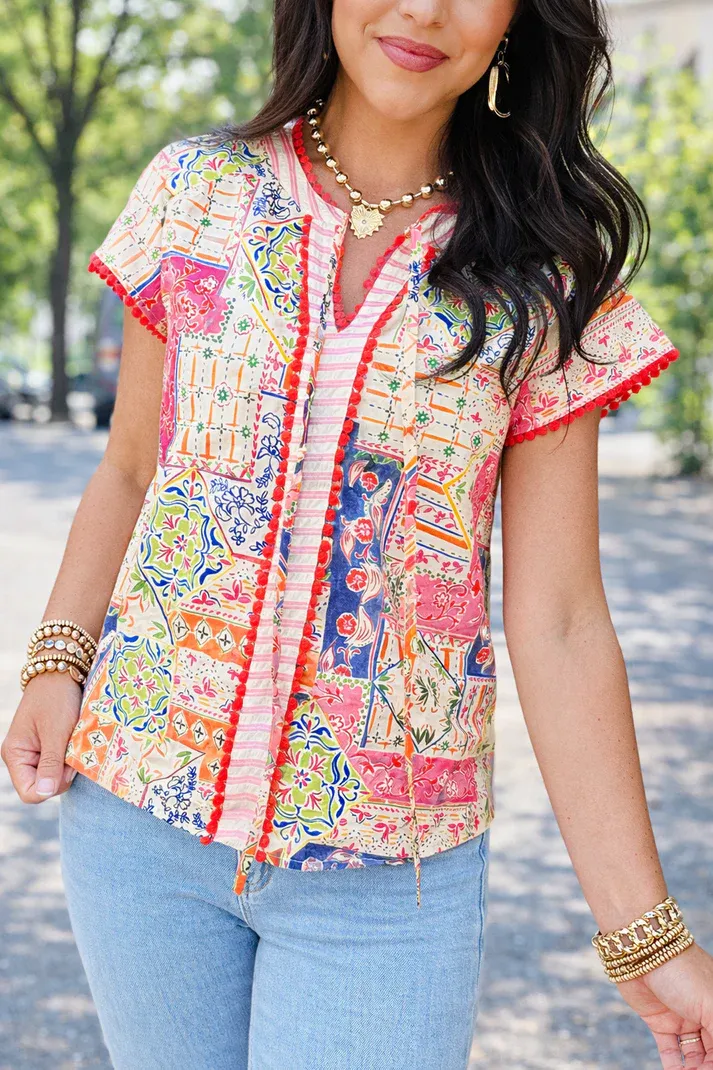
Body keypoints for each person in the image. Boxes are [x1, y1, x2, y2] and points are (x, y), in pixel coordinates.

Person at [3, 1, 712, 1067]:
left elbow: (561, 620)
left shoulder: (545, 279)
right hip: (137, 821)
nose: (423, 8)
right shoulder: (197, 189)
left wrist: (644, 936)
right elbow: (132, 467)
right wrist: (56, 660)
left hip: (388, 879)